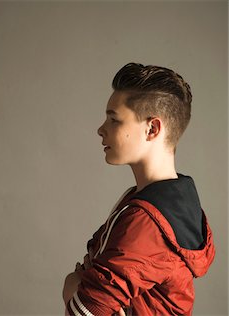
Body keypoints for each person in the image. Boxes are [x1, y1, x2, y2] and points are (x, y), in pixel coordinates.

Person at [62, 63, 215, 315]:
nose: (101, 129)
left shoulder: (147, 222)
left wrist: (71, 283)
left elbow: (82, 310)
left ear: (152, 129)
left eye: (114, 119)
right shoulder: (159, 202)